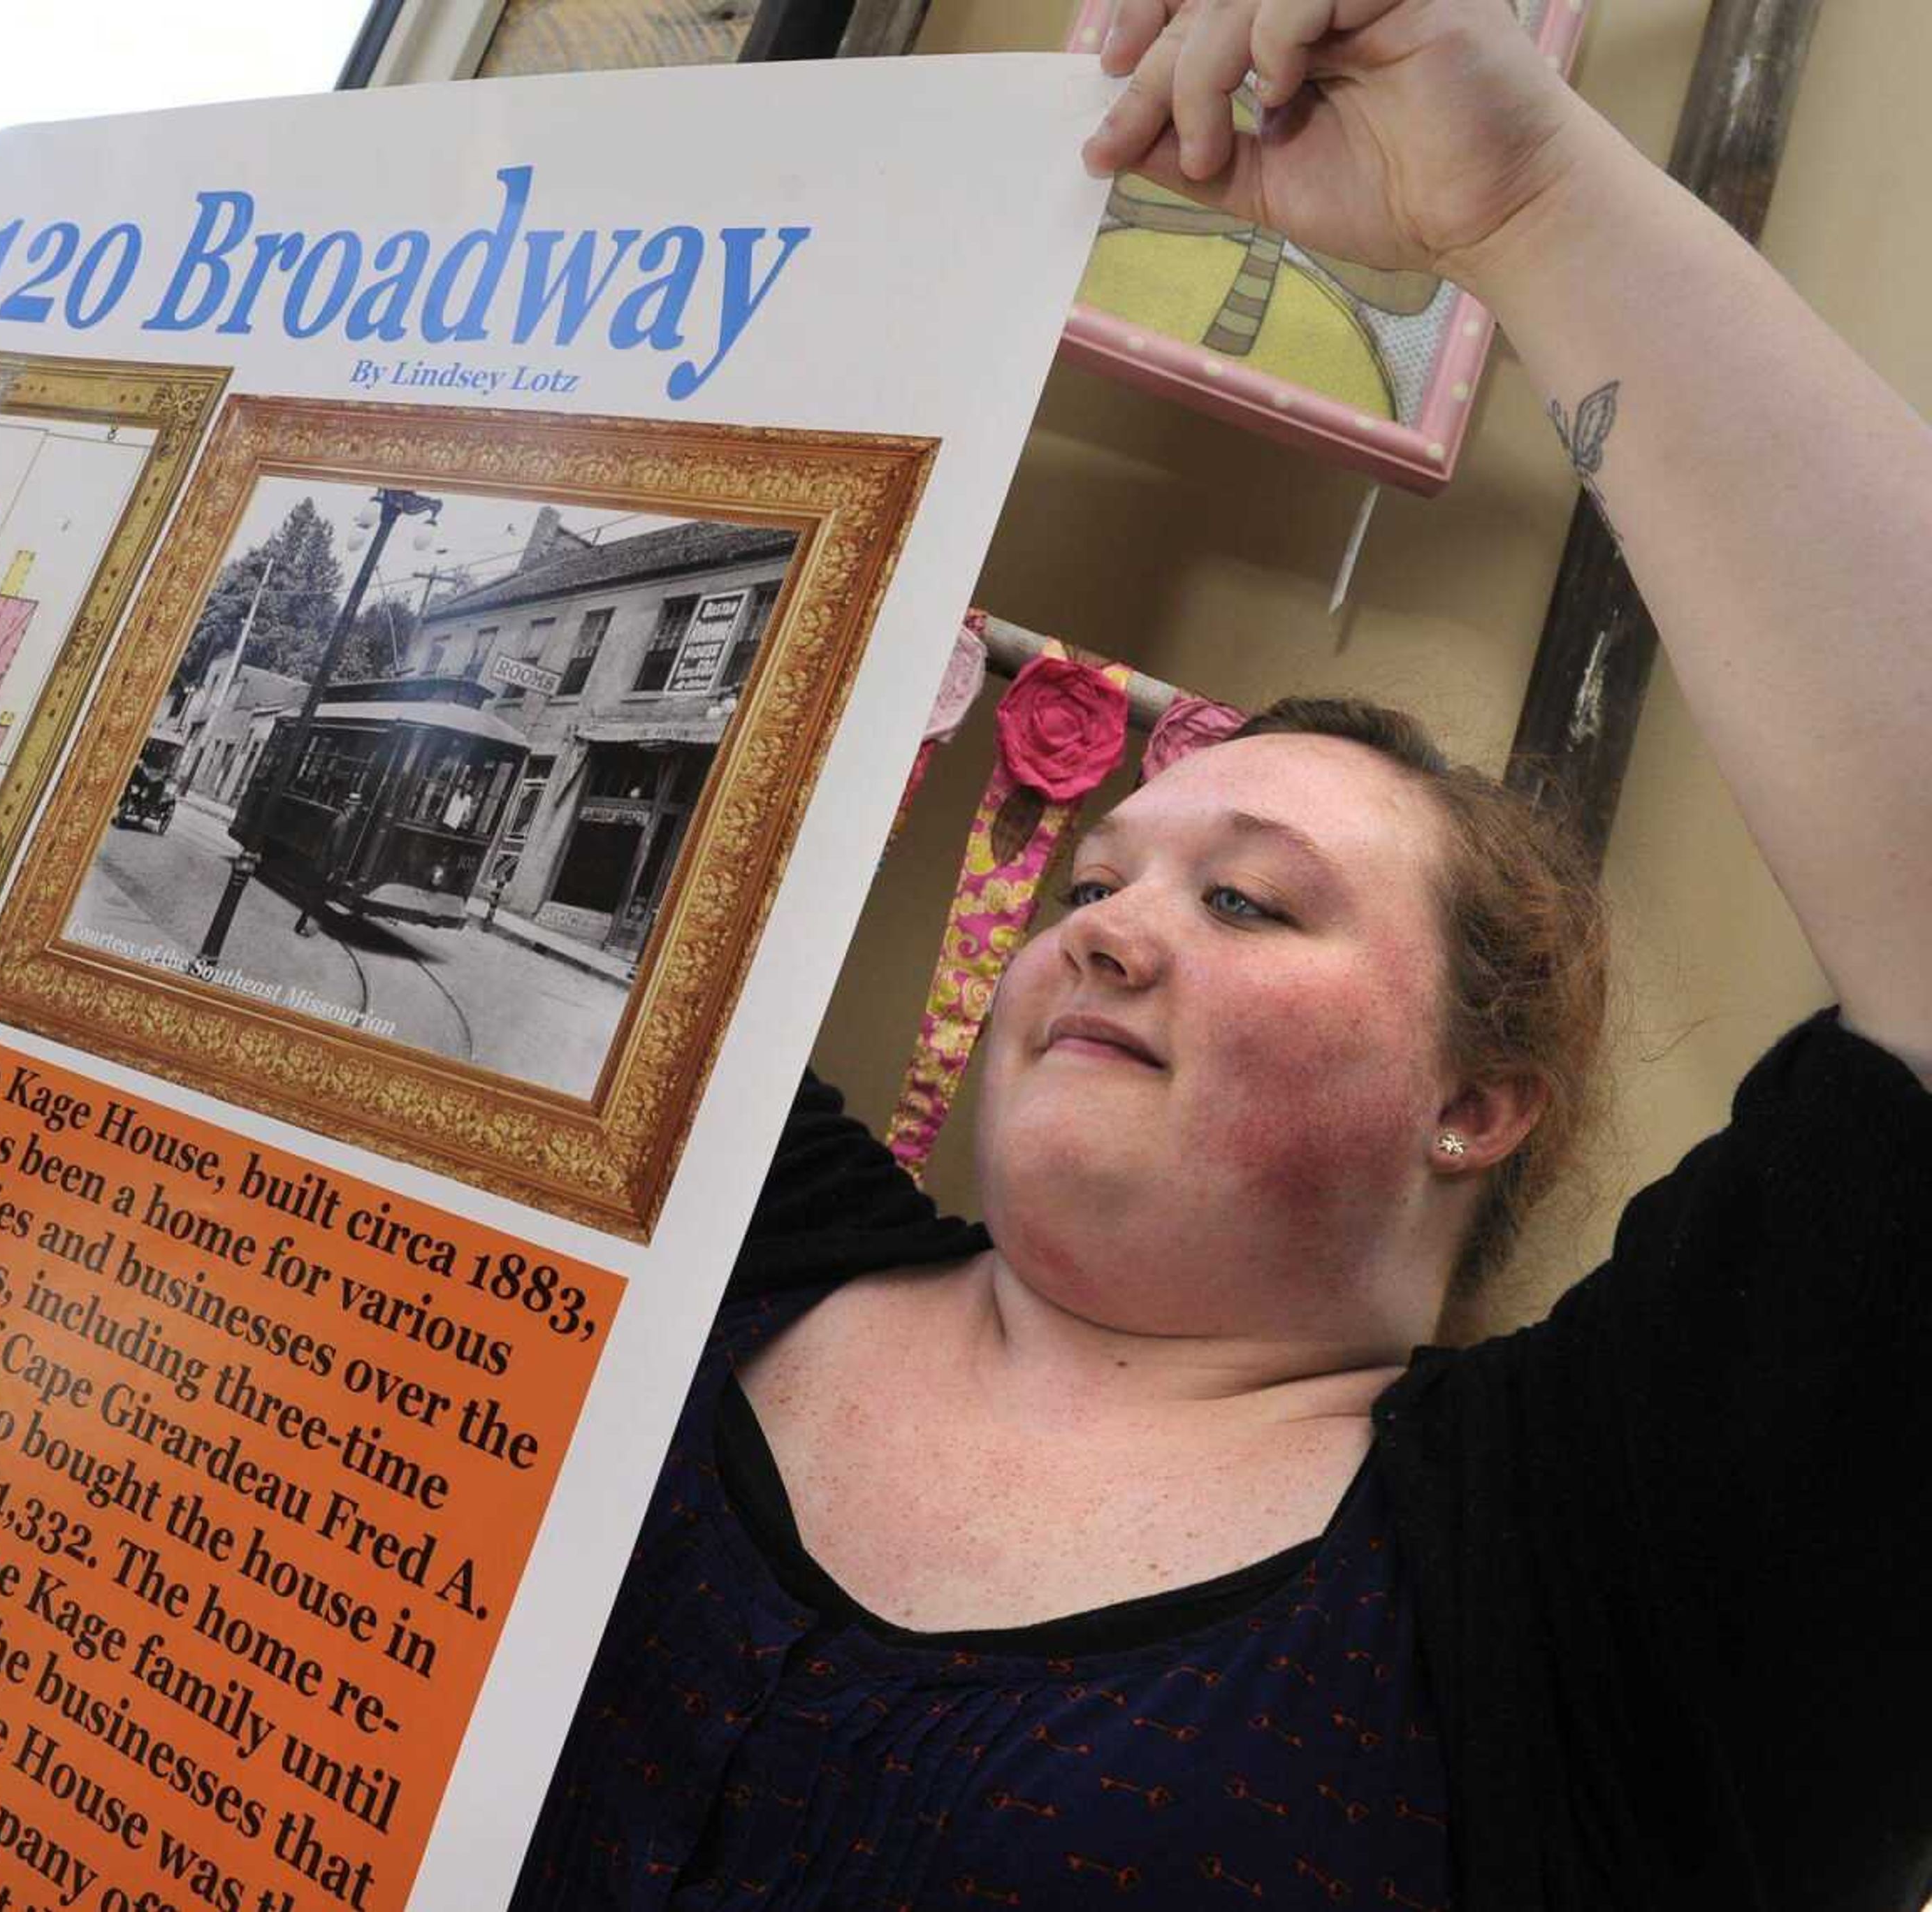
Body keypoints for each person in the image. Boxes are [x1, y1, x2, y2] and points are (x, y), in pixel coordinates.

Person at [514, 1, 1932, 1906]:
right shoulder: (729, 1238)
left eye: (1246, 899)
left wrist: (1520, 200)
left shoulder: (1599, 1583)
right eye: (1094, 884)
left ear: (1476, 1101)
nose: (1106, 936)